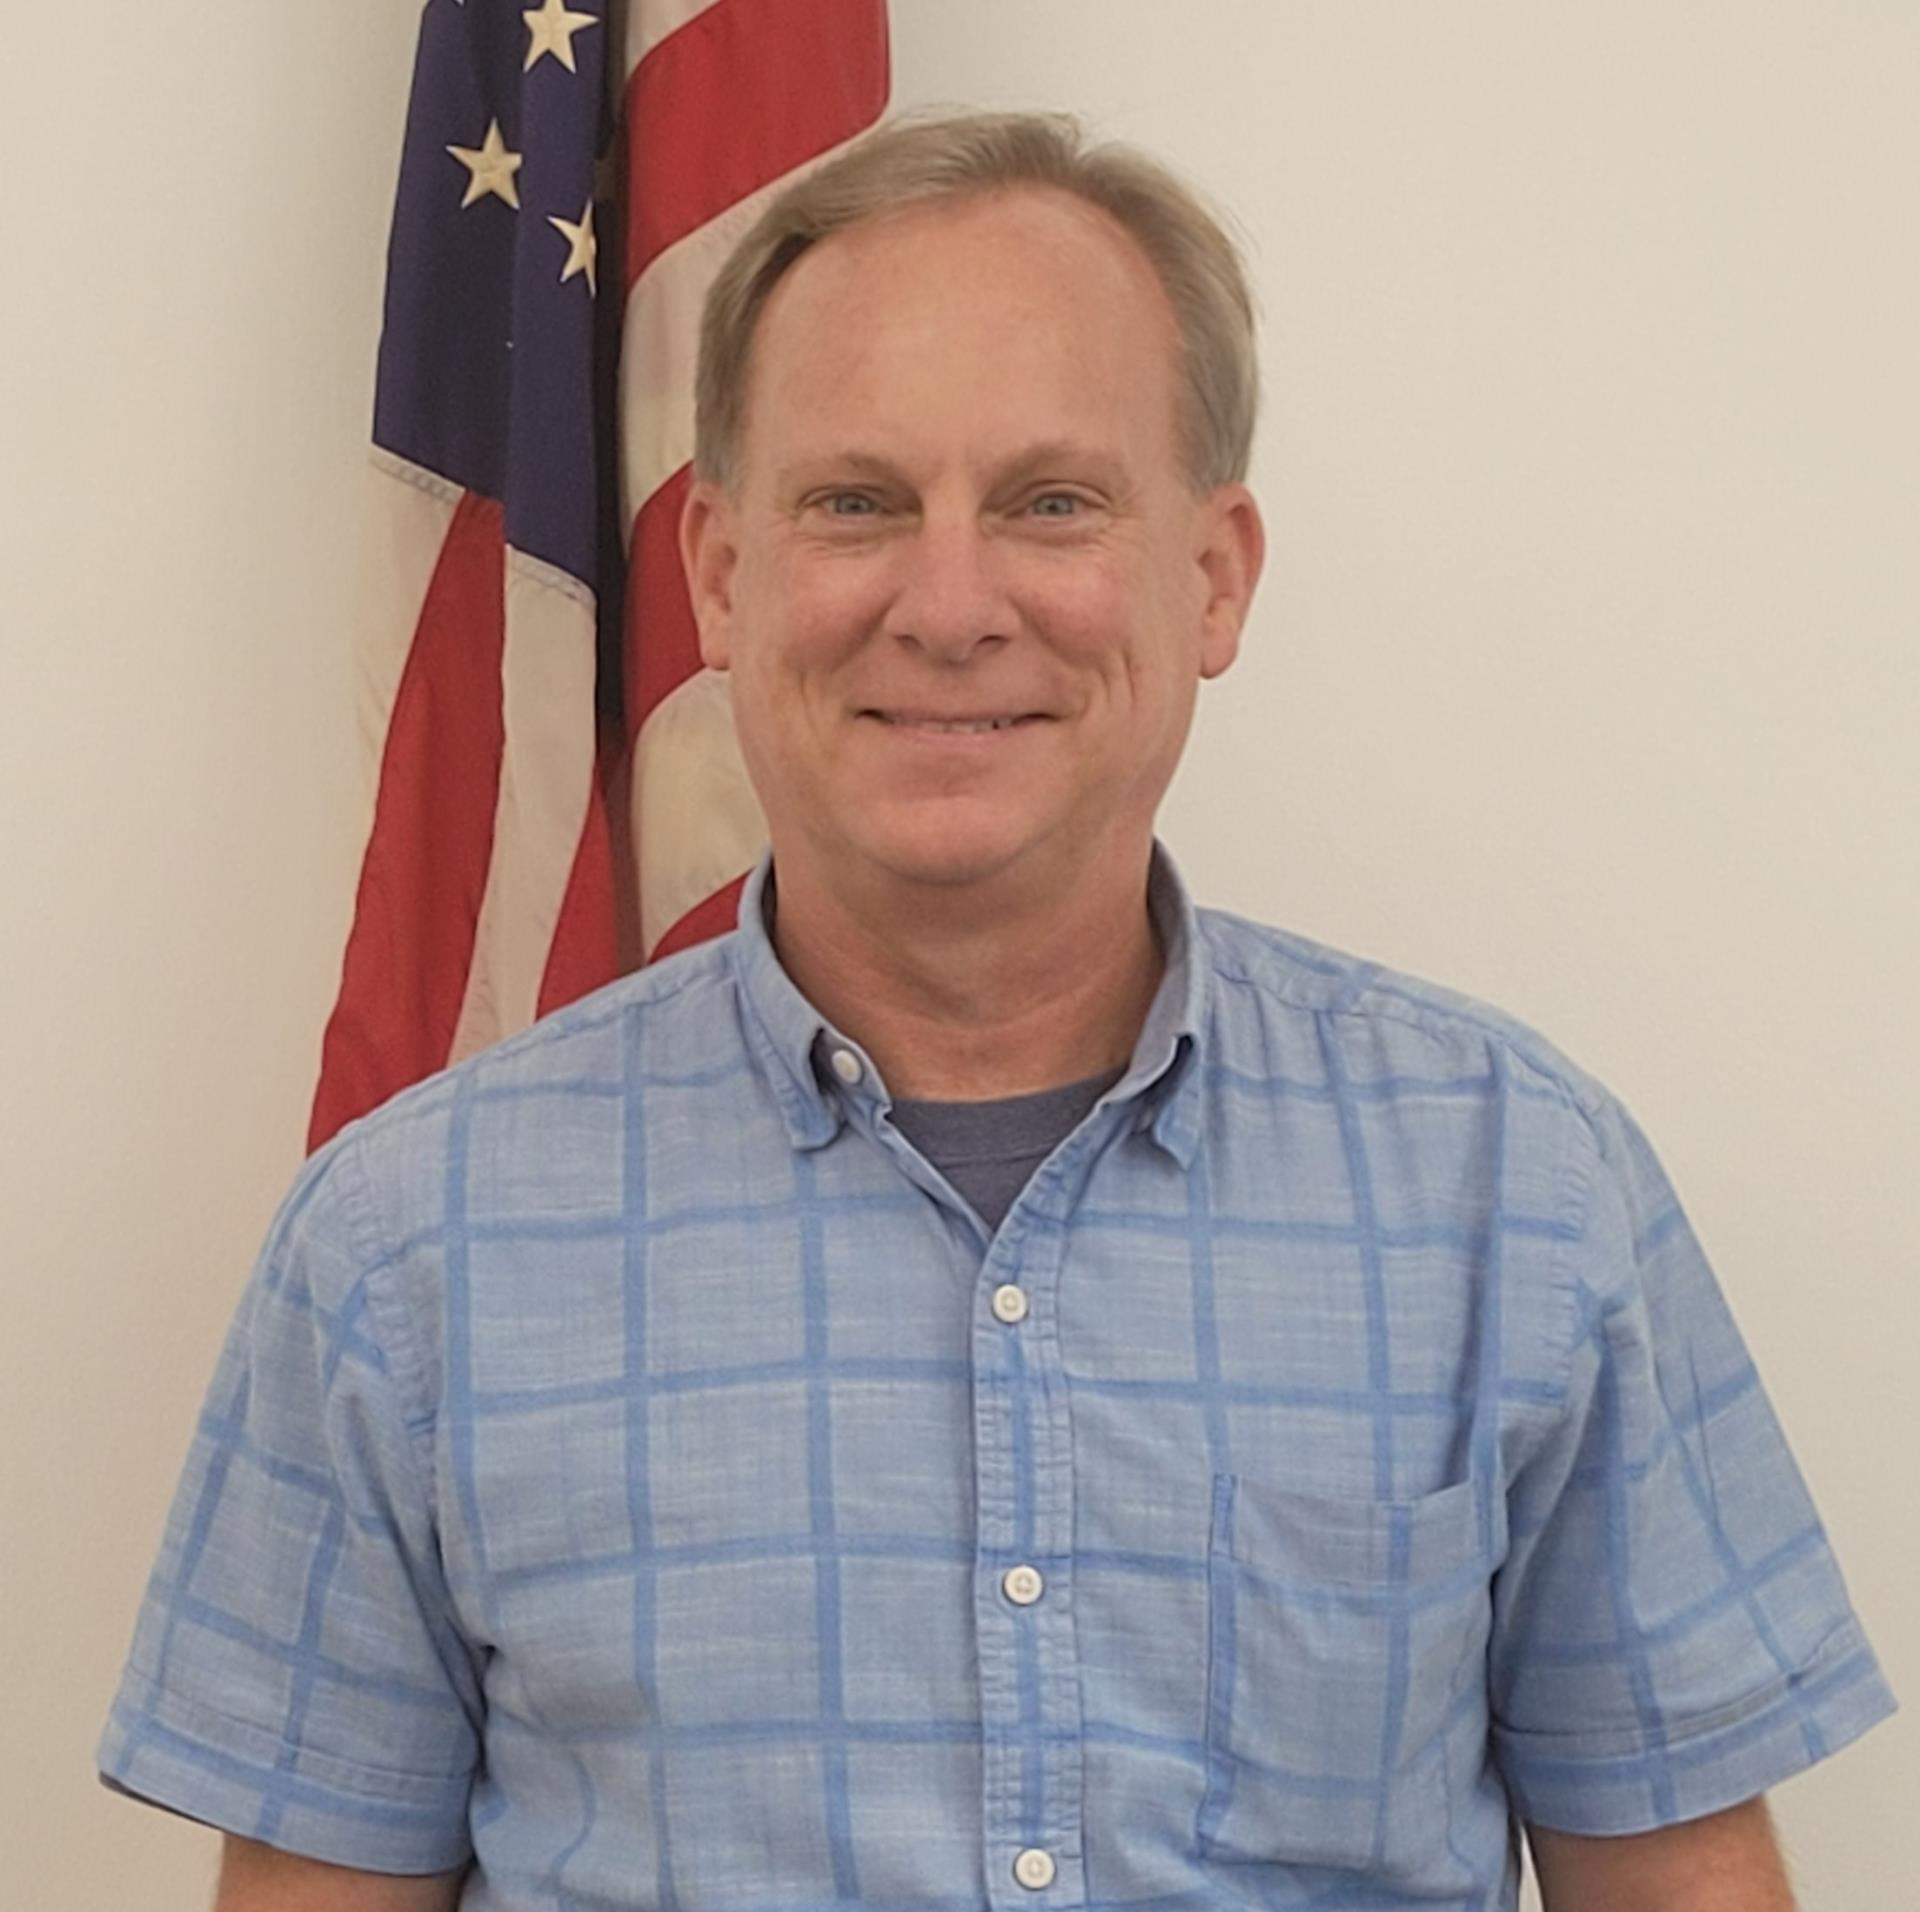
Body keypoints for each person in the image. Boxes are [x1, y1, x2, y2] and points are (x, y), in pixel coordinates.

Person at [98, 109, 1894, 1912]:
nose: (948, 607)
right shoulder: (408, 1254)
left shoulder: (1523, 1197)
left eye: (1051, 502)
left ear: (1213, 577)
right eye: (857, 503)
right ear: (722, 576)